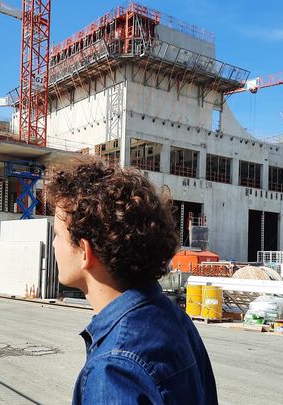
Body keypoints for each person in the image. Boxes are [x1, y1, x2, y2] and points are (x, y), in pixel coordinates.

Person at [46, 158, 217, 404]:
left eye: (57, 235)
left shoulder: (114, 369)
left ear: (85, 251)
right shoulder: (174, 318)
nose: (53, 244)